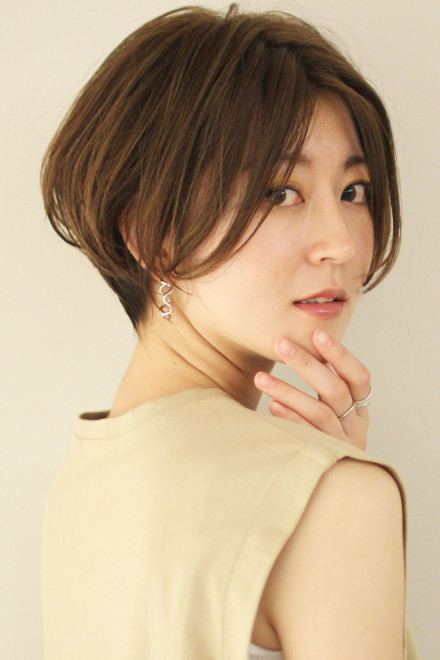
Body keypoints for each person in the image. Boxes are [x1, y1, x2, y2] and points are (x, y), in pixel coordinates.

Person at [41, 4, 420, 659]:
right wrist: (335, 485)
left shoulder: (84, 477)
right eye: (280, 192)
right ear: (153, 235)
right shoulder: (336, 500)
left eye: (353, 190)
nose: (338, 242)